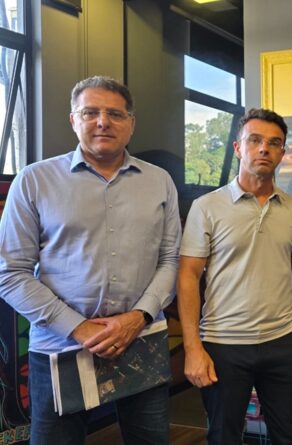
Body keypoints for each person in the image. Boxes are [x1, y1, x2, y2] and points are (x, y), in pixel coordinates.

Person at [0, 76, 181, 445]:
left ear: (131, 123)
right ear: (73, 120)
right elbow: (10, 273)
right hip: (61, 347)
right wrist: (79, 328)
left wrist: (138, 317)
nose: (103, 122)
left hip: (140, 341)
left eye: (115, 114)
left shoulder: (159, 181)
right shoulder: (34, 181)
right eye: (91, 112)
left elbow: (170, 260)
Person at [177, 108, 292, 445]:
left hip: (281, 341)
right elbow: (188, 275)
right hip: (224, 344)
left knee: (290, 435)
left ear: (282, 153)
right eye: (255, 140)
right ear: (238, 148)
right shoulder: (207, 207)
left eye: (274, 143)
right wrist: (192, 347)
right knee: (224, 436)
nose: (264, 148)